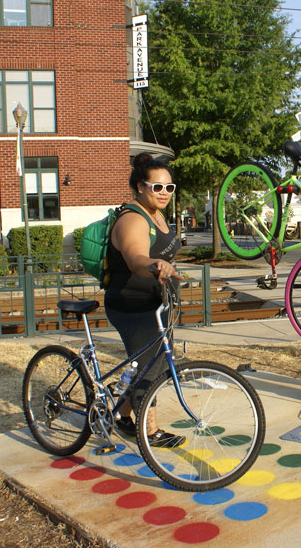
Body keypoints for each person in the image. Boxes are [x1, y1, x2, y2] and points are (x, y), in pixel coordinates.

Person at [106, 152, 185, 448]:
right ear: (140, 186)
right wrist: (154, 266)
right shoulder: (132, 219)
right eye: (157, 187)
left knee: (152, 364)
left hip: (155, 304)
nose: (164, 193)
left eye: (169, 187)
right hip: (132, 305)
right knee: (151, 369)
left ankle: (123, 417)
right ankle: (148, 432)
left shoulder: (157, 213)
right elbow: (136, 257)